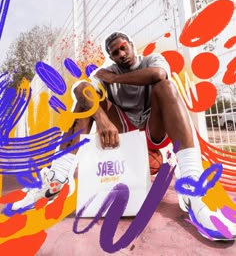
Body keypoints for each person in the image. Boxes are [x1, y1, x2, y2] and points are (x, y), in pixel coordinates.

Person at [12, 32, 236, 240]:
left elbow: (158, 74)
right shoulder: (107, 71)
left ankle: (192, 190)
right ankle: (57, 178)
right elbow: (80, 89)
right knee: (86, 99)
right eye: (115, 53)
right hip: (124, 132)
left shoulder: (151, 60)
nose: (121, 54)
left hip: (152, 128)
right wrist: (101, 118)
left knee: (165, 86)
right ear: (111, 57)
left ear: (130, 46)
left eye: (123, 48)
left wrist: (114, 79)